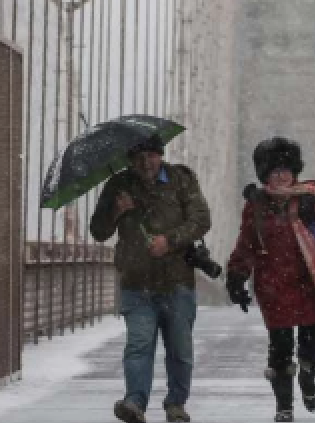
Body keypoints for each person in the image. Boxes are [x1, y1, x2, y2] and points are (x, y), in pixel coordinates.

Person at [225, 137, 315, 422]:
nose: (281, 176)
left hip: (310, 285)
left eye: (285, 169)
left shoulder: (312, 197)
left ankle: (307, 380)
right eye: (274, 171)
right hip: (274, 287)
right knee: (280, 350)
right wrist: (236, 275)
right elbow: (247, 245)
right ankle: (284, 406)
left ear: (295, 171)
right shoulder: (256, 207)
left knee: (313, 346)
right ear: (265, 175)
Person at [90, 134, 212, 423]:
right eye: (139, 157)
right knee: (139, 345)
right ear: (130, 160)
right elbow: (98, 231)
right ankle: (135, 402)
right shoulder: (119, 185)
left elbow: (201, 219)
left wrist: (169, 241)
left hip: (177, 281)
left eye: (152, 155)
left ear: (161, 155)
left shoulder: (182, 179)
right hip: (136, 282)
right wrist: (116, 211)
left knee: (180, 349)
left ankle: (176, 405)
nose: (146, 162)